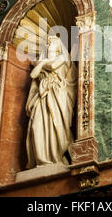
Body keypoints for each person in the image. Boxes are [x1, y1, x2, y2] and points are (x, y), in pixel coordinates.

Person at [25, 35, 77, 169]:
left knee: (57, 126)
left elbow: (53, 65)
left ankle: (58, 157)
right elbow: (33, 75)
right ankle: (42, 160)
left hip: (58, 96)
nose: (49, 46)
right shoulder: (45, 61)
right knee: (37, 126)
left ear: (59, 47)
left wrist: (40, 63)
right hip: (42, 97)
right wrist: (41, 64)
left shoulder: (63, 57)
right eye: (47, 44)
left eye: (52, 43)